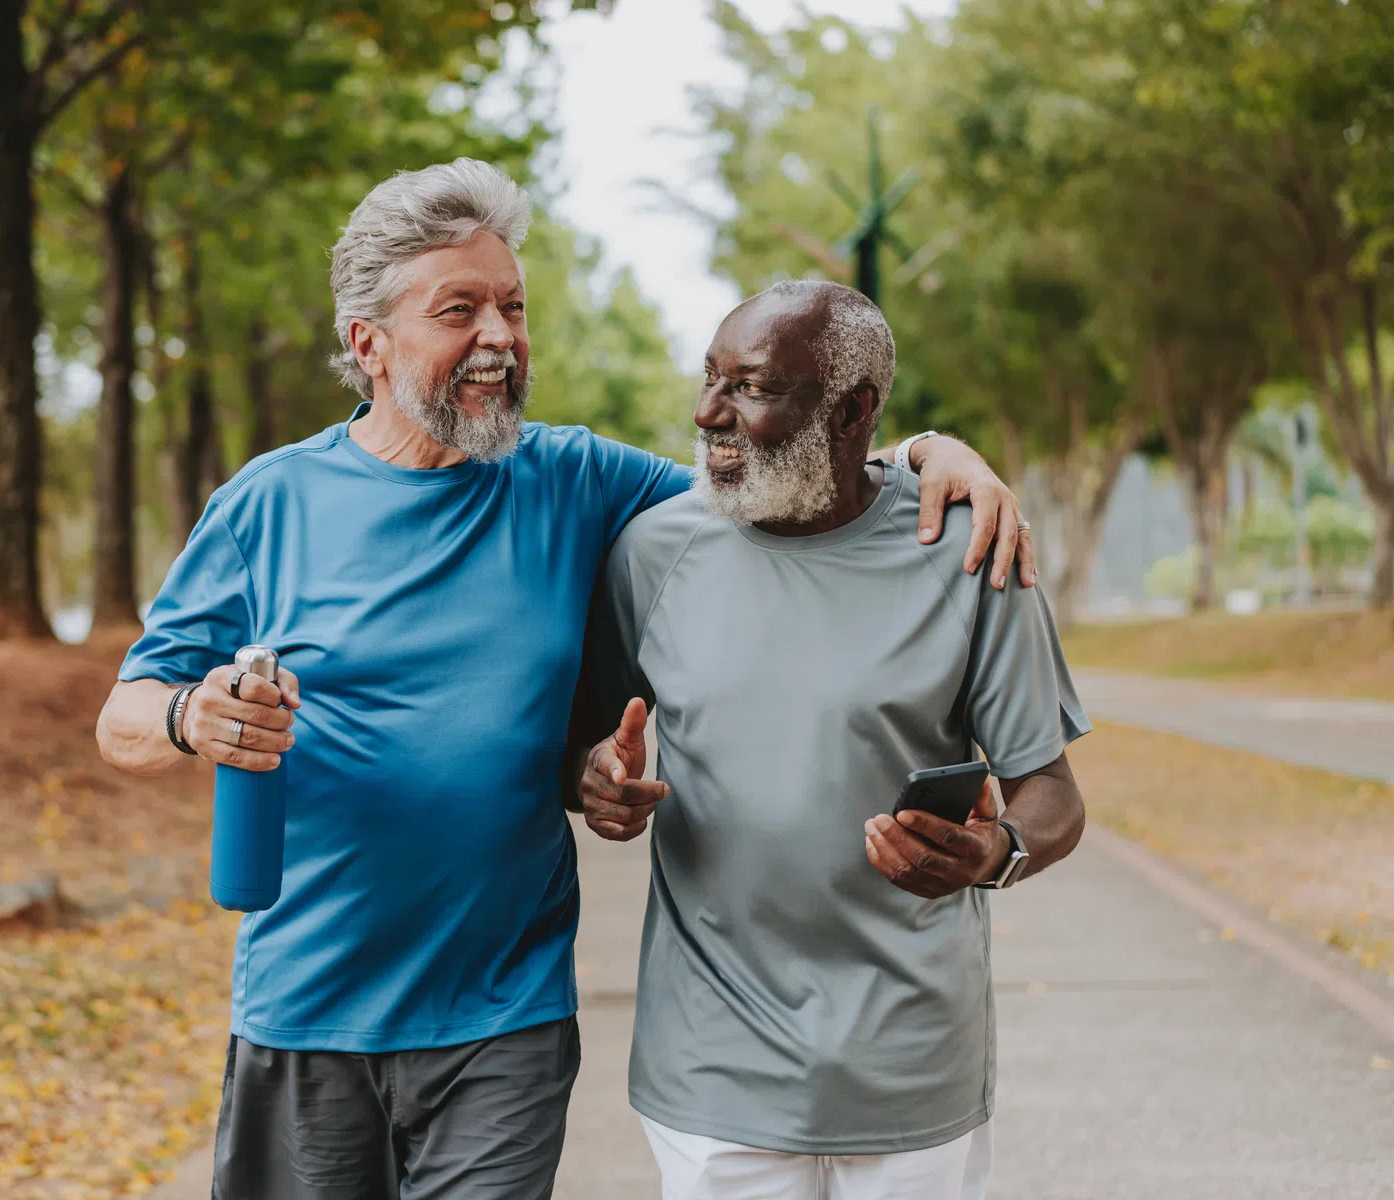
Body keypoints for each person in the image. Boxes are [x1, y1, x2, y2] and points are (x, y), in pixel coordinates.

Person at [94, 160, 1032, 1199]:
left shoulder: (577, 478)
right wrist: (193, 716)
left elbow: (776, 471)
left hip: (504, 1022)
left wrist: (925, 451)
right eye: (460, 310)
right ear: (368, 345)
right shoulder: (267, 503)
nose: (500, 335)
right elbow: (126, 714)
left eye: (513, 306)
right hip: (305, 1010)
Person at [571, 279, 1090, 1200]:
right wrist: (600, 781)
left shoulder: (971, 552)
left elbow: (1051, 796)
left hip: (912, 1065)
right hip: (711, 1069)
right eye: (709, 378)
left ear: (852, 411)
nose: (708, 413)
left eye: (753, 387)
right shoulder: (654, 552)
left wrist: (990, 853)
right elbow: (588, 751)